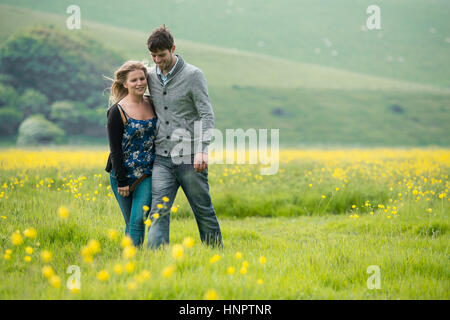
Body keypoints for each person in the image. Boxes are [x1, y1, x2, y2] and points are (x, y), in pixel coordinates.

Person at [145, 25, 223, 250]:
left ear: (173, 49)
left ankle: (215, 254)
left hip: (190, 157)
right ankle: (155, 260)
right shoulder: (150, 76)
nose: (158, 60)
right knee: (158, 211)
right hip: (161, 158)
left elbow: (206, 114)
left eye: (162, 55)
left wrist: (202, 149)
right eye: (153, 56)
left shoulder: (193, 75)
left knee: (203, 209)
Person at [105, 60, 157, 247]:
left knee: (137, 220)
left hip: (146, 174)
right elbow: (115, 150)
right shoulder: (116, 111)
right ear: (125, 84)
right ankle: (129, 263)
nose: (140, 83)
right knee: (130, 223)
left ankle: (133, 261)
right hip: (122, 175)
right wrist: (122, 181)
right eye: (134, 80)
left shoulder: (152, 103)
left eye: (142, 78)